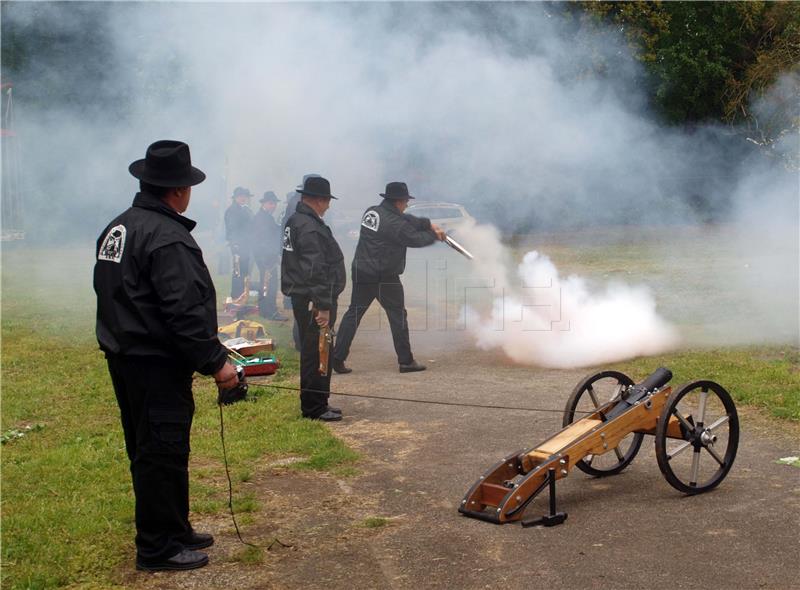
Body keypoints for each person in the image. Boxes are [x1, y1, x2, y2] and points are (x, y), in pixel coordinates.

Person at [94, 140, 239, 571]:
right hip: (155, 363)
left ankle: (174, 526)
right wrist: (217, 363)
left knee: (159, 449)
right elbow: (184, 312)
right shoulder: (167, 237)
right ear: (178, 191)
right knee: (160, 451)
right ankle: (156, 546)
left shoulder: (118, 228)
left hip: (127, 359)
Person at [333, 181, 445, 374]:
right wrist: (435, 236)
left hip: (362, 270)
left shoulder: (373, 211)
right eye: (405, 201)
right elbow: (414, 239)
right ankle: (406, 361)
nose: (406, 205)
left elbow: (406, 220)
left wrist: (428, 224)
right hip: (383, 275)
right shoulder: (395, 224)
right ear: (399, 201)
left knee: (353, 314)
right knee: (397, 316)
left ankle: (337, 357)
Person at [281, 175, 346, 421]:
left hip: (306, 296)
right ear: (318, 200)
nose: (328, 205)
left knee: (318, 350)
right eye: (327, 200)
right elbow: (314, 268)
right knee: (317, 352)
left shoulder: (298, 220)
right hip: (313, 299)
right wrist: (323, 305)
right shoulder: (308, 226)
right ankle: (314, 407)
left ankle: (319, 400)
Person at [251, 191, 287, 320]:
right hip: (266, 257)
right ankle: (270, 312)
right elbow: (264, 240)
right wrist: (272, 255)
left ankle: (265, 310)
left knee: (266, 284)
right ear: (264, 203)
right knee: (269, 285)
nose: (273, 206)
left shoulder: (266, 217)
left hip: (267, 256)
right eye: (271, 203)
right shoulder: (262, 218)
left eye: (275, 204)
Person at [224, 186, 254, 298]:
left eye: (244, 196)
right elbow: (232, 229)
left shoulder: (245, 209)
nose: (243, 198)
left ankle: (242, 296)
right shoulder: (232, 210)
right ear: (235, 197)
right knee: (238, 273)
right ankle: (236, 297)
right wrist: (235, 245)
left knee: (244, 273)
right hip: (238, 247)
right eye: (240, 196)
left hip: (246, 246)